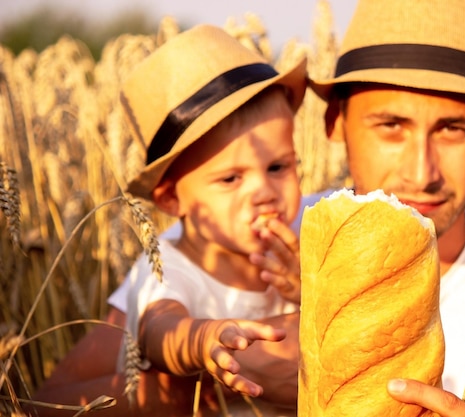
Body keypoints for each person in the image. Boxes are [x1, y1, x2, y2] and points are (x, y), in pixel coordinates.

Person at [34, 0, 465, 416]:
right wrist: (209, 382)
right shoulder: (241, 232)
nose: (421, 170)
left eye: (454, 129)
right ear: (334, 123)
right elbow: (52, 399)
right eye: (390, 126)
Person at [30, 24, 307, 417]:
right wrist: (202, 340)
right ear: (173, 198)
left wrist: (305, 285)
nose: (264, 191)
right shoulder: (168, 270)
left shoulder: (307, 232)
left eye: (278, 166)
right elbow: (158, 329)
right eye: (231, 179)